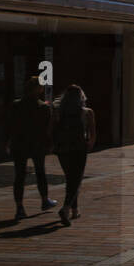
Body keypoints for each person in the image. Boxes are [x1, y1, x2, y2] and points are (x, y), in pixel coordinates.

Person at [5, 77, 56, 220]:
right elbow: (47, 129)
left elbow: (10, 125)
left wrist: (8, 141)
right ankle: (45, 200)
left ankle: (20, 207)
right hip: (37, 144)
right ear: (38, 89)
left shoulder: (16, 105)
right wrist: (50, 143)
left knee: (19, 176)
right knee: (40, 172)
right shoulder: (43, 107)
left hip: (19, 143)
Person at [52, 84, 96, 227]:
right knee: (76, 179)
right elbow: (92, 134)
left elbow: (50, 131)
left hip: (62, 149)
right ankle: (65, 209)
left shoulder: (58, 112)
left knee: (71, 178)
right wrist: (89, 145)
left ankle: (75, 210)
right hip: (78, 148)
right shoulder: (87, 112)